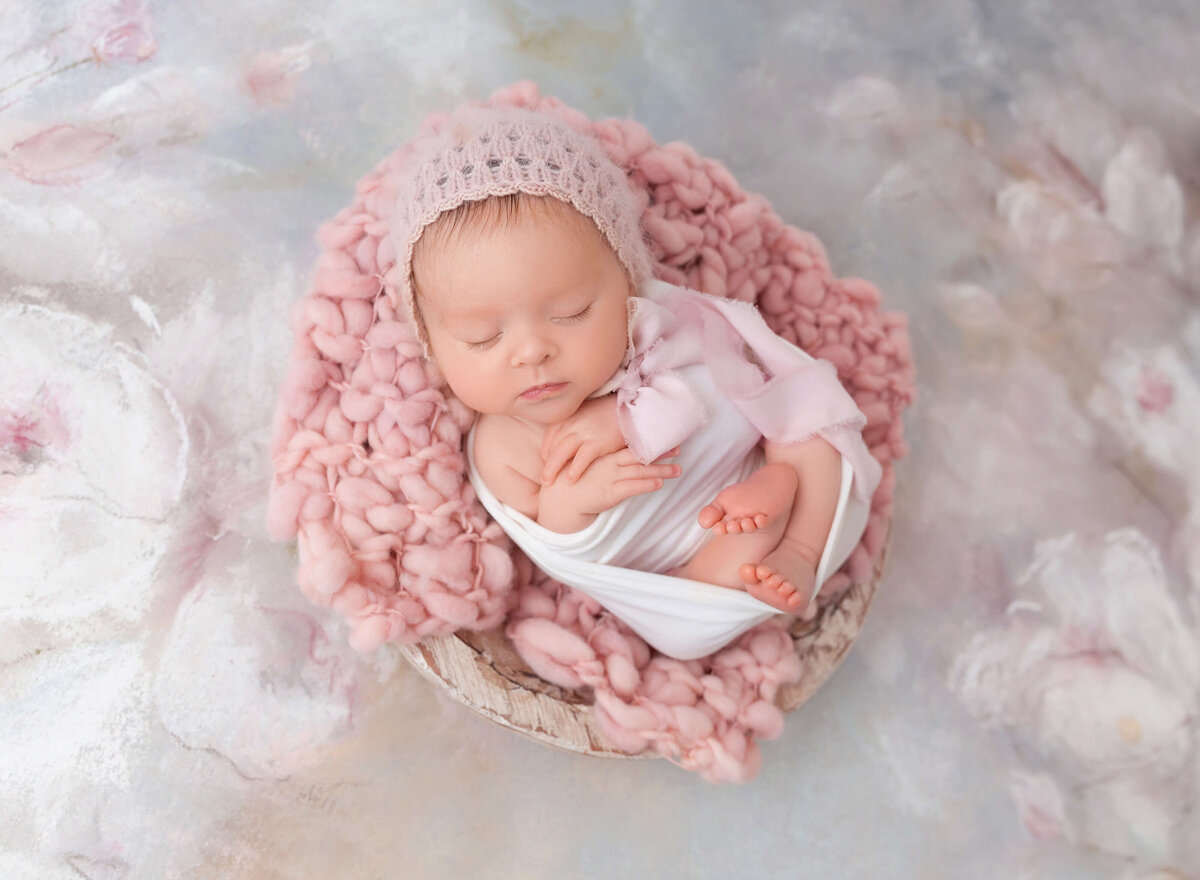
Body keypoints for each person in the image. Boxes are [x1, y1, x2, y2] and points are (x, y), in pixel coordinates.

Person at [387, 105, 880, 658]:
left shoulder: (649, 329)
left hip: (750, 464)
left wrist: (625, 412)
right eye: (481, 338)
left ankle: (802, 542)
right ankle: (763, 536)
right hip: (681, 565)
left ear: (627, 280)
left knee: (807, 421)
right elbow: (557, 545)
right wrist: (574, 499)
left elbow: (736, 376)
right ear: (432, 344)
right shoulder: (501, 444)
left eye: (572, 312)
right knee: (688, 634)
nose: (531, 352)